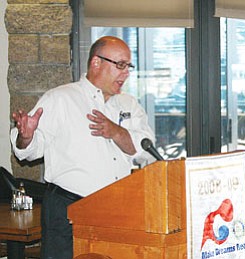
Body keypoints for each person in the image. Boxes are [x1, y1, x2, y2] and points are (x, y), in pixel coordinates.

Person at [10, 36, 155, 259]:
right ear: (96, 62)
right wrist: (26, 136)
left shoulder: (128, 104)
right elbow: (29, 151)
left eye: (128, 66)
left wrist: (116, 131)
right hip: (69, 210)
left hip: (117, 210)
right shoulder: (61, 98)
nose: (126, 73)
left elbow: (146, 150)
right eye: (120, 65)